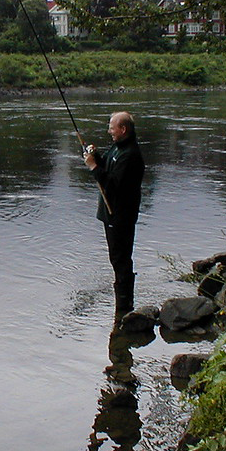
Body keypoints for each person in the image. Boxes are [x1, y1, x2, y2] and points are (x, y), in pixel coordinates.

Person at [84, 111, 145, 314]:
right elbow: (108, 169)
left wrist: (93, 168)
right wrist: (95, 157)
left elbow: (113, 185)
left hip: (120, 216)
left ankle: (124, 307)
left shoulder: (130, 155)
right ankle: (124, 305)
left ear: (123, 129)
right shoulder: (118, 148)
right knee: (117, 258)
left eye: (112, 127)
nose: (109, 130)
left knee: (120, 258)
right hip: (111, 215)